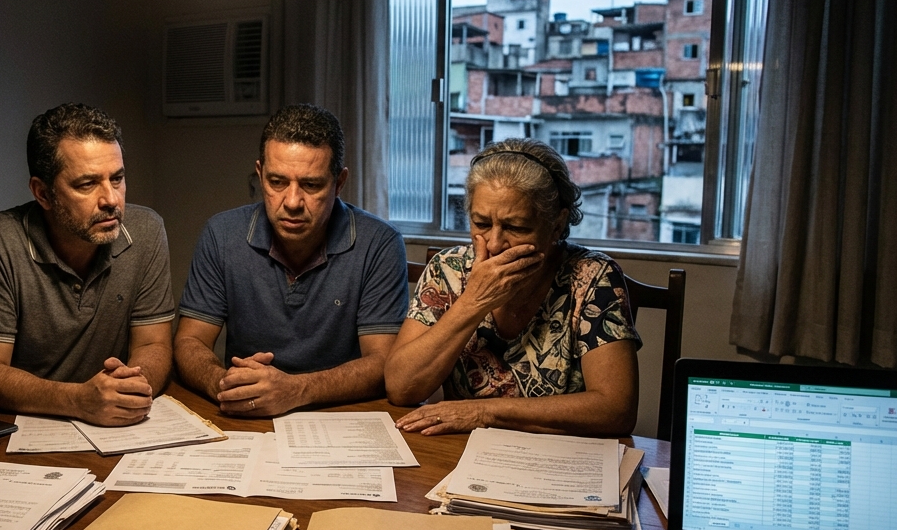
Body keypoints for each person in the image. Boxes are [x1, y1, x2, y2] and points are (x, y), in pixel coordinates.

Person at [387, 138, 640, 437]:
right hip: (463, 454)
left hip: (559, 458)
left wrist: (483, 412)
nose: (494, 245)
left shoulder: (592, 276)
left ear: (556, 224)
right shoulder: (448, 268)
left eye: (516, 228)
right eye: (481, 223)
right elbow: (401, 388)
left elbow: (615, 409)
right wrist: (474, 302)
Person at [174, 104, 409, 417]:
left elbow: (383, 364)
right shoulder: (222, 234)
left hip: (340, 417)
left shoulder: (379, 243)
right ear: (260, 174)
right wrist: (223, 384)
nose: (293, 202)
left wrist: (296, 390)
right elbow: (189, 341)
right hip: (247, 412)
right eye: (277, 182)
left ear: (339, 183)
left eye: (311, 185)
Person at [0, 103, 175, 426]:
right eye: (87, 184)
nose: (111, 199)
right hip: (24, 427)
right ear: (42, 193)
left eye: (117, 179)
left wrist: (132, 389)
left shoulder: (145, 231)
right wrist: (78, 400)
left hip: (114, 425)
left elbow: (154, 343)